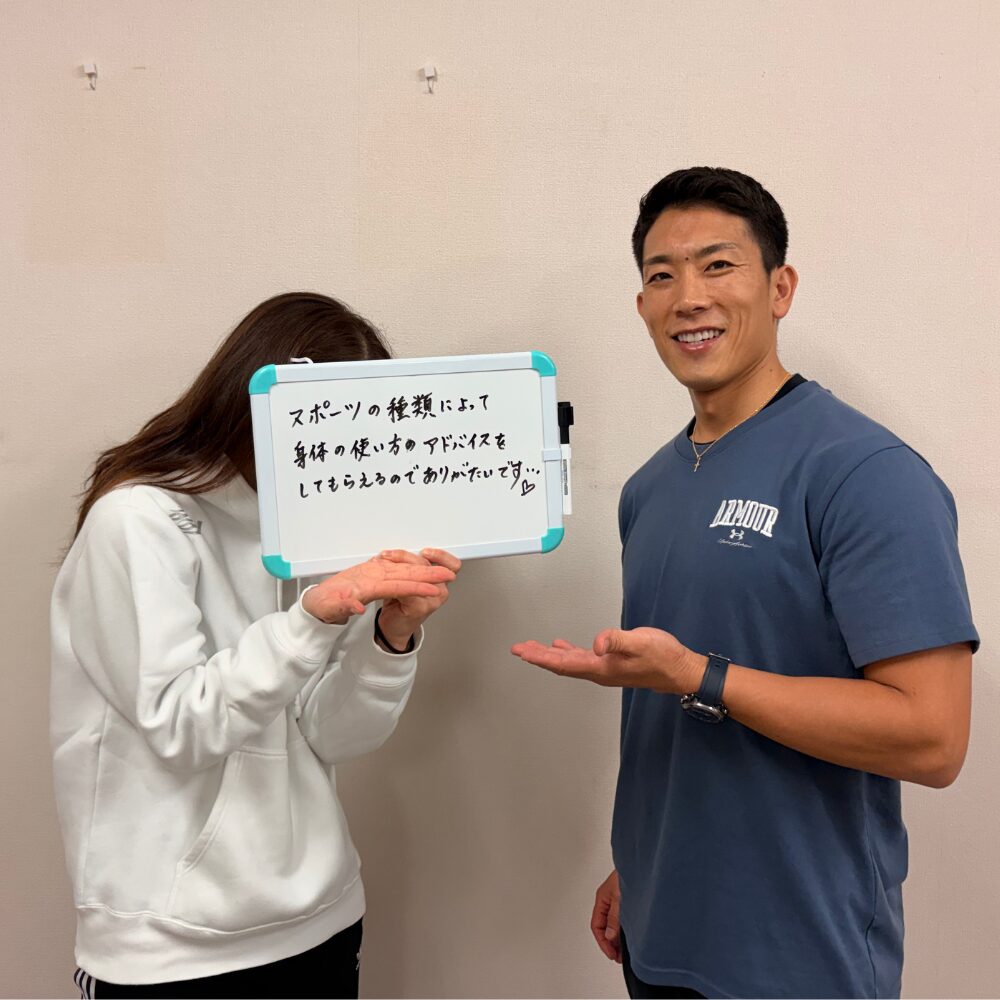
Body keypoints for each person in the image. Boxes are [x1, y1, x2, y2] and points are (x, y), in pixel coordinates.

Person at [512, 168, 979, 999]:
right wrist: (638, 864)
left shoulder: (865, 472)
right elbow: (669, 719)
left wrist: (700, 676)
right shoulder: (649, 489)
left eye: (718, 265)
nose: (689, 296)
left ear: (780, 288)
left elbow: (934, 739)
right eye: (663, 275)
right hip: (659, 934)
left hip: (799, 955)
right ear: (642, 307)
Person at [51, 292, 460, 999]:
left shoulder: (315, 525)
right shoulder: (138, 519)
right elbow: (181, 726)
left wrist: (390, 637)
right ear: (252, 402)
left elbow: (332, 735)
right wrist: (311, 620)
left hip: (322, 917)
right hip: (169, 950)